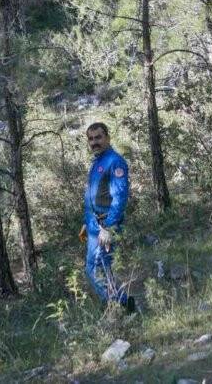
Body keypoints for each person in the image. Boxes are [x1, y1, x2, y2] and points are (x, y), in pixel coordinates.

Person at [81, 122, 135, 313]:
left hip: (105, 226)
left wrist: (109, 227)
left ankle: (119, 307)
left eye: (98, 137)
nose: (94, 142)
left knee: (97, 270)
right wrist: (86, 222)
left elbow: (119, 197)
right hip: (94, 226)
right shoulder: (97, 162)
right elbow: (92, 196)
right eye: (91, 138)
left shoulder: (115, 161)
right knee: (97, 269)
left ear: (107, 138)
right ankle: (122, 305)